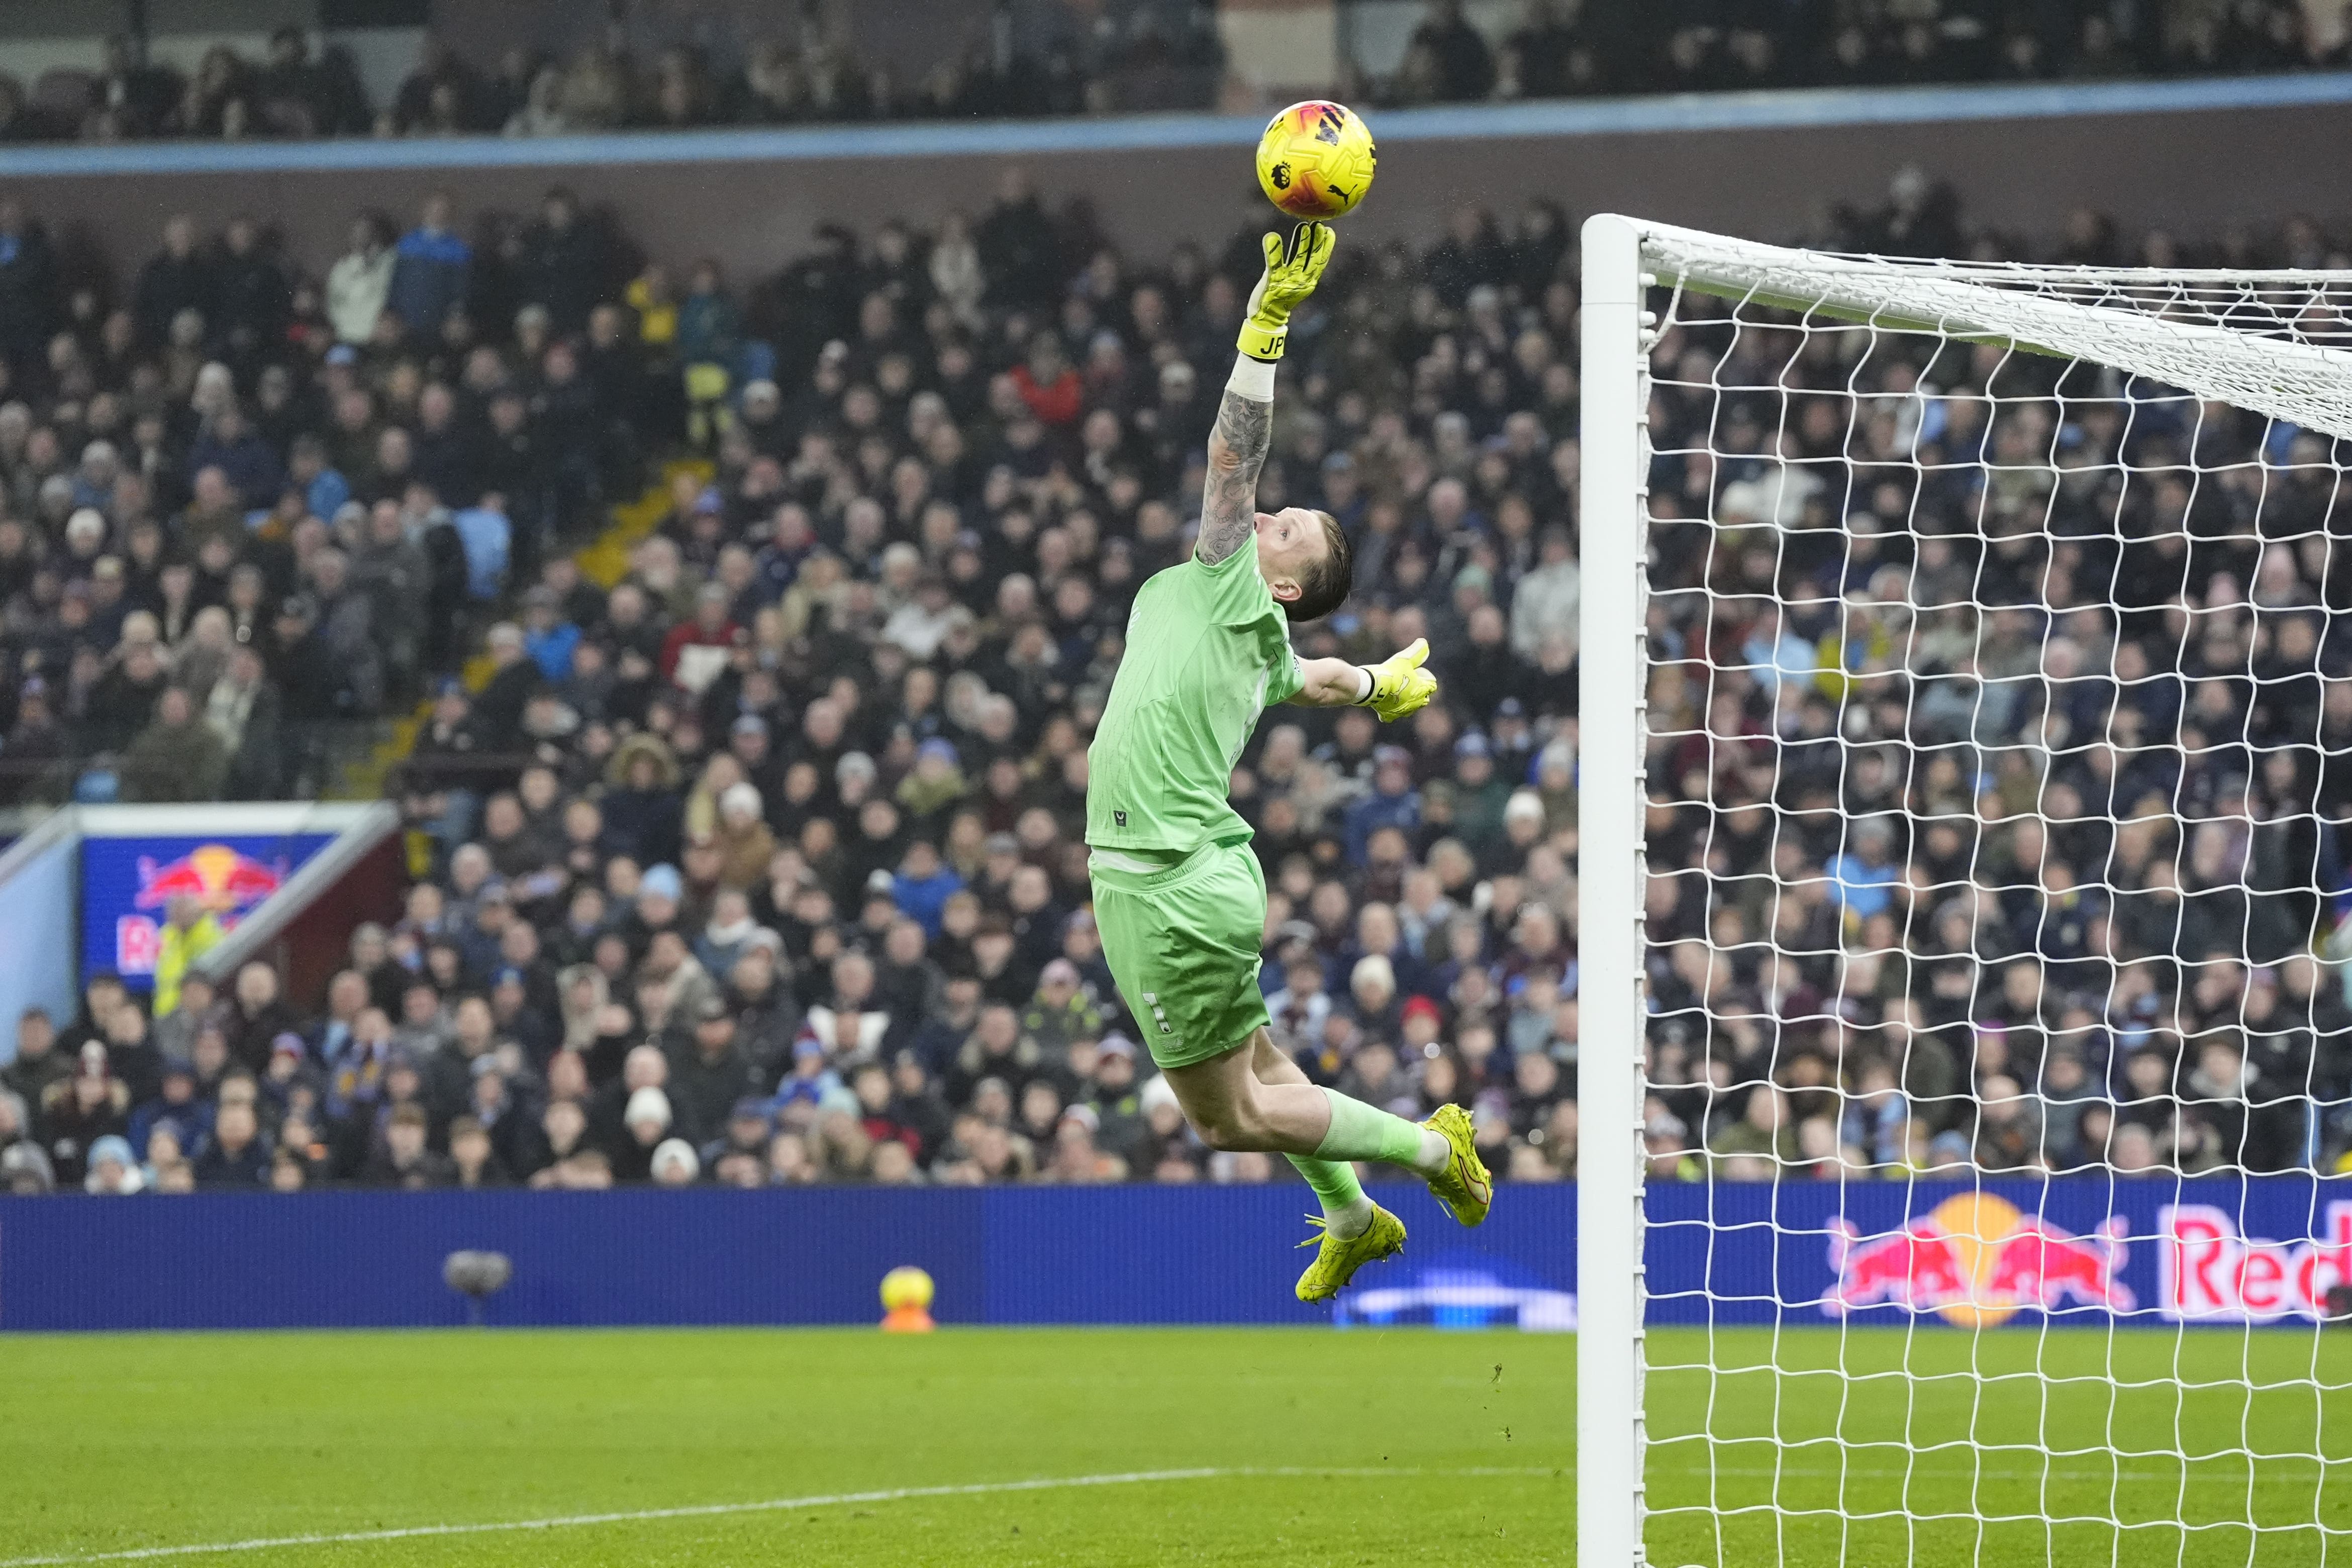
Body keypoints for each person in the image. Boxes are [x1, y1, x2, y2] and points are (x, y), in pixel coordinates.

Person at [1082, 221, 1489, 1305]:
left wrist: (1266, 324)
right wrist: (1374, 685)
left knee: (1228, 1119)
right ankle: (1355, 1217)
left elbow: (1231, 452)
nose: (1266, 517)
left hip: (1168, 879)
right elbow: (1308, 682)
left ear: (1287, 588)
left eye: (1288, 533)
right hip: (1166, 870)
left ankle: (1431, 1153)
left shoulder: (1230, 587)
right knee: (1262, 1072)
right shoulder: (1257, 639)